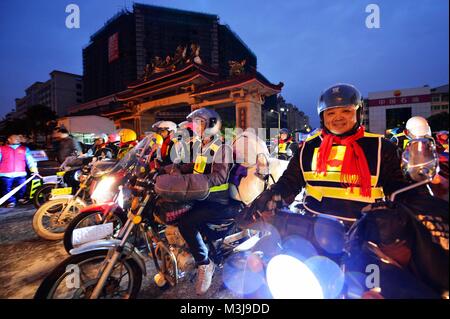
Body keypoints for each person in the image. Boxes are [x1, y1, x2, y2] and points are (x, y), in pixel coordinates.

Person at [249, 83, 447, 298]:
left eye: (346, 111)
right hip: (313, 232)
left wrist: (419, 204)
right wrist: (268, 198)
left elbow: (401, 191)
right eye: (331, 112)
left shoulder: (382, 147)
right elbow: (290, 182)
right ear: (323, 116)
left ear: (358, 113)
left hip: (364, 237)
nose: (338, 117)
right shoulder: (308, 147)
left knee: (383, 290)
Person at [155, 108, 235, 295]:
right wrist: (166, 169)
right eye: (196, 124)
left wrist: (193, 183)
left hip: (216, 200)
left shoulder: (223, 148)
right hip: (200, 195)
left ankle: (205, 264)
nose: (196, 127)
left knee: (186, 223)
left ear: (212, 125)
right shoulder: (202, 146)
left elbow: (219, 178)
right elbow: (188, 167)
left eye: (200, 123)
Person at [0, 134, 38, 207]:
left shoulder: (24, 149)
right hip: (5, 173)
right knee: (6, 189)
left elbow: (30, 160)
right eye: (15, 138)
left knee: (22, 187)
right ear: (9, 139)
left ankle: (20, 198)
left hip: (21, 173)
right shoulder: (1, 149)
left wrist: (34, 170)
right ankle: (11, 201)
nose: (17, 139)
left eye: (18, 138)